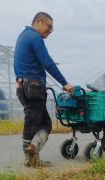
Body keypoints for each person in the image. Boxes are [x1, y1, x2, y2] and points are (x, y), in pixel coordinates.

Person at [14, 12, 74, 167]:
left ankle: (33, 158)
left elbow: (17, 62)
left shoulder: (22, 37)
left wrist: (19, 79)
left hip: (23, 86)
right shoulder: (35, 38)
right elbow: (48, 63)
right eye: (49, 27)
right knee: (41, 124)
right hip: (34, 86)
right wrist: (64, 83)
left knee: (38, 121)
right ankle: (31, 154)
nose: (50, 31)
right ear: (39, 22)